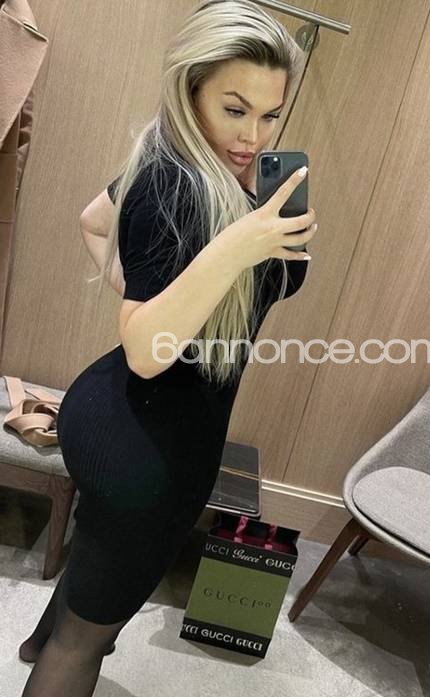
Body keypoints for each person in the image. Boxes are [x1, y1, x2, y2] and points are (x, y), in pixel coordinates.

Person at [18, 1, 317, 695]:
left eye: (270, 115)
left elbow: (94, 221)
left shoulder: (218, 173)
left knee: (97, 562)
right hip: (146, 444)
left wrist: (157, 287)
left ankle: (35, 642)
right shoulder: (170, 179)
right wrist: (236, 246)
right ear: (192, 90)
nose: (253, 135)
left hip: (125, 413)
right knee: (87, 641)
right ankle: (53, 651)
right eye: (234, 109)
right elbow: (149, 350)